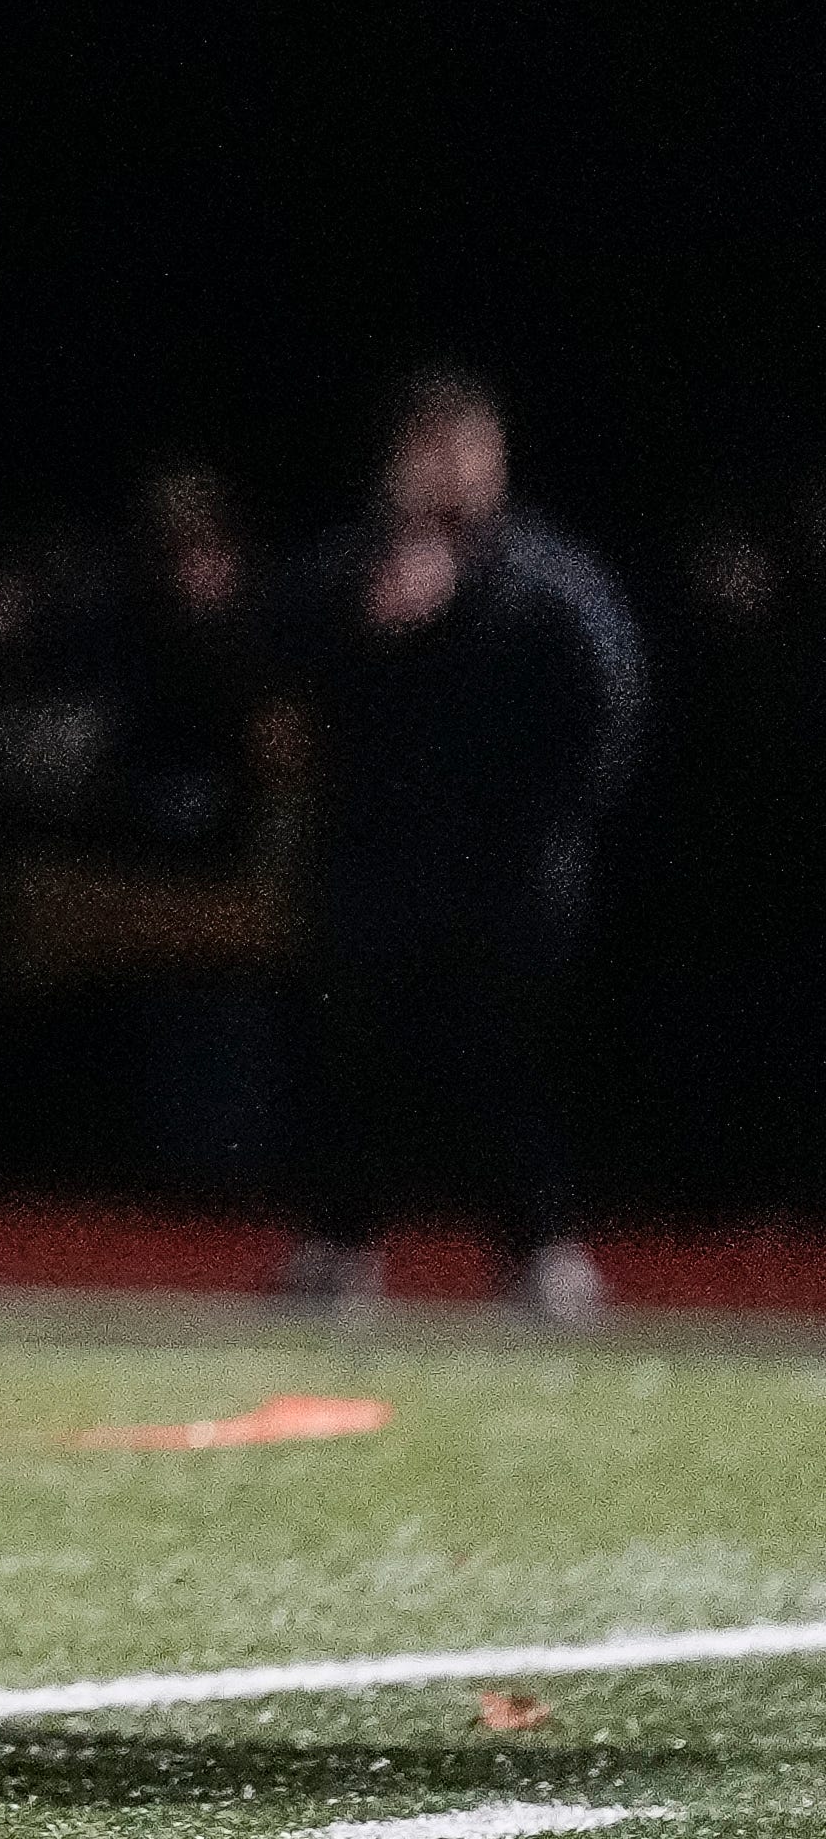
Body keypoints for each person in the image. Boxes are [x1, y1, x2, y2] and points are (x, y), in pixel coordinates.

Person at [279, 372, 642, 1320]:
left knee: (503, 1061)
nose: (444, 467)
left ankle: (539, 1247)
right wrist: (367, 614)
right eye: (426, 446)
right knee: (359, 1057)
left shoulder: (545, 576)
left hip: (505, 881)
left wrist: (546, 837)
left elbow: (606, 710)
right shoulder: (352, 570)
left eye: (463, 446)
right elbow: (274, 669)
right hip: (375, 870)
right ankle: (339, 1243)